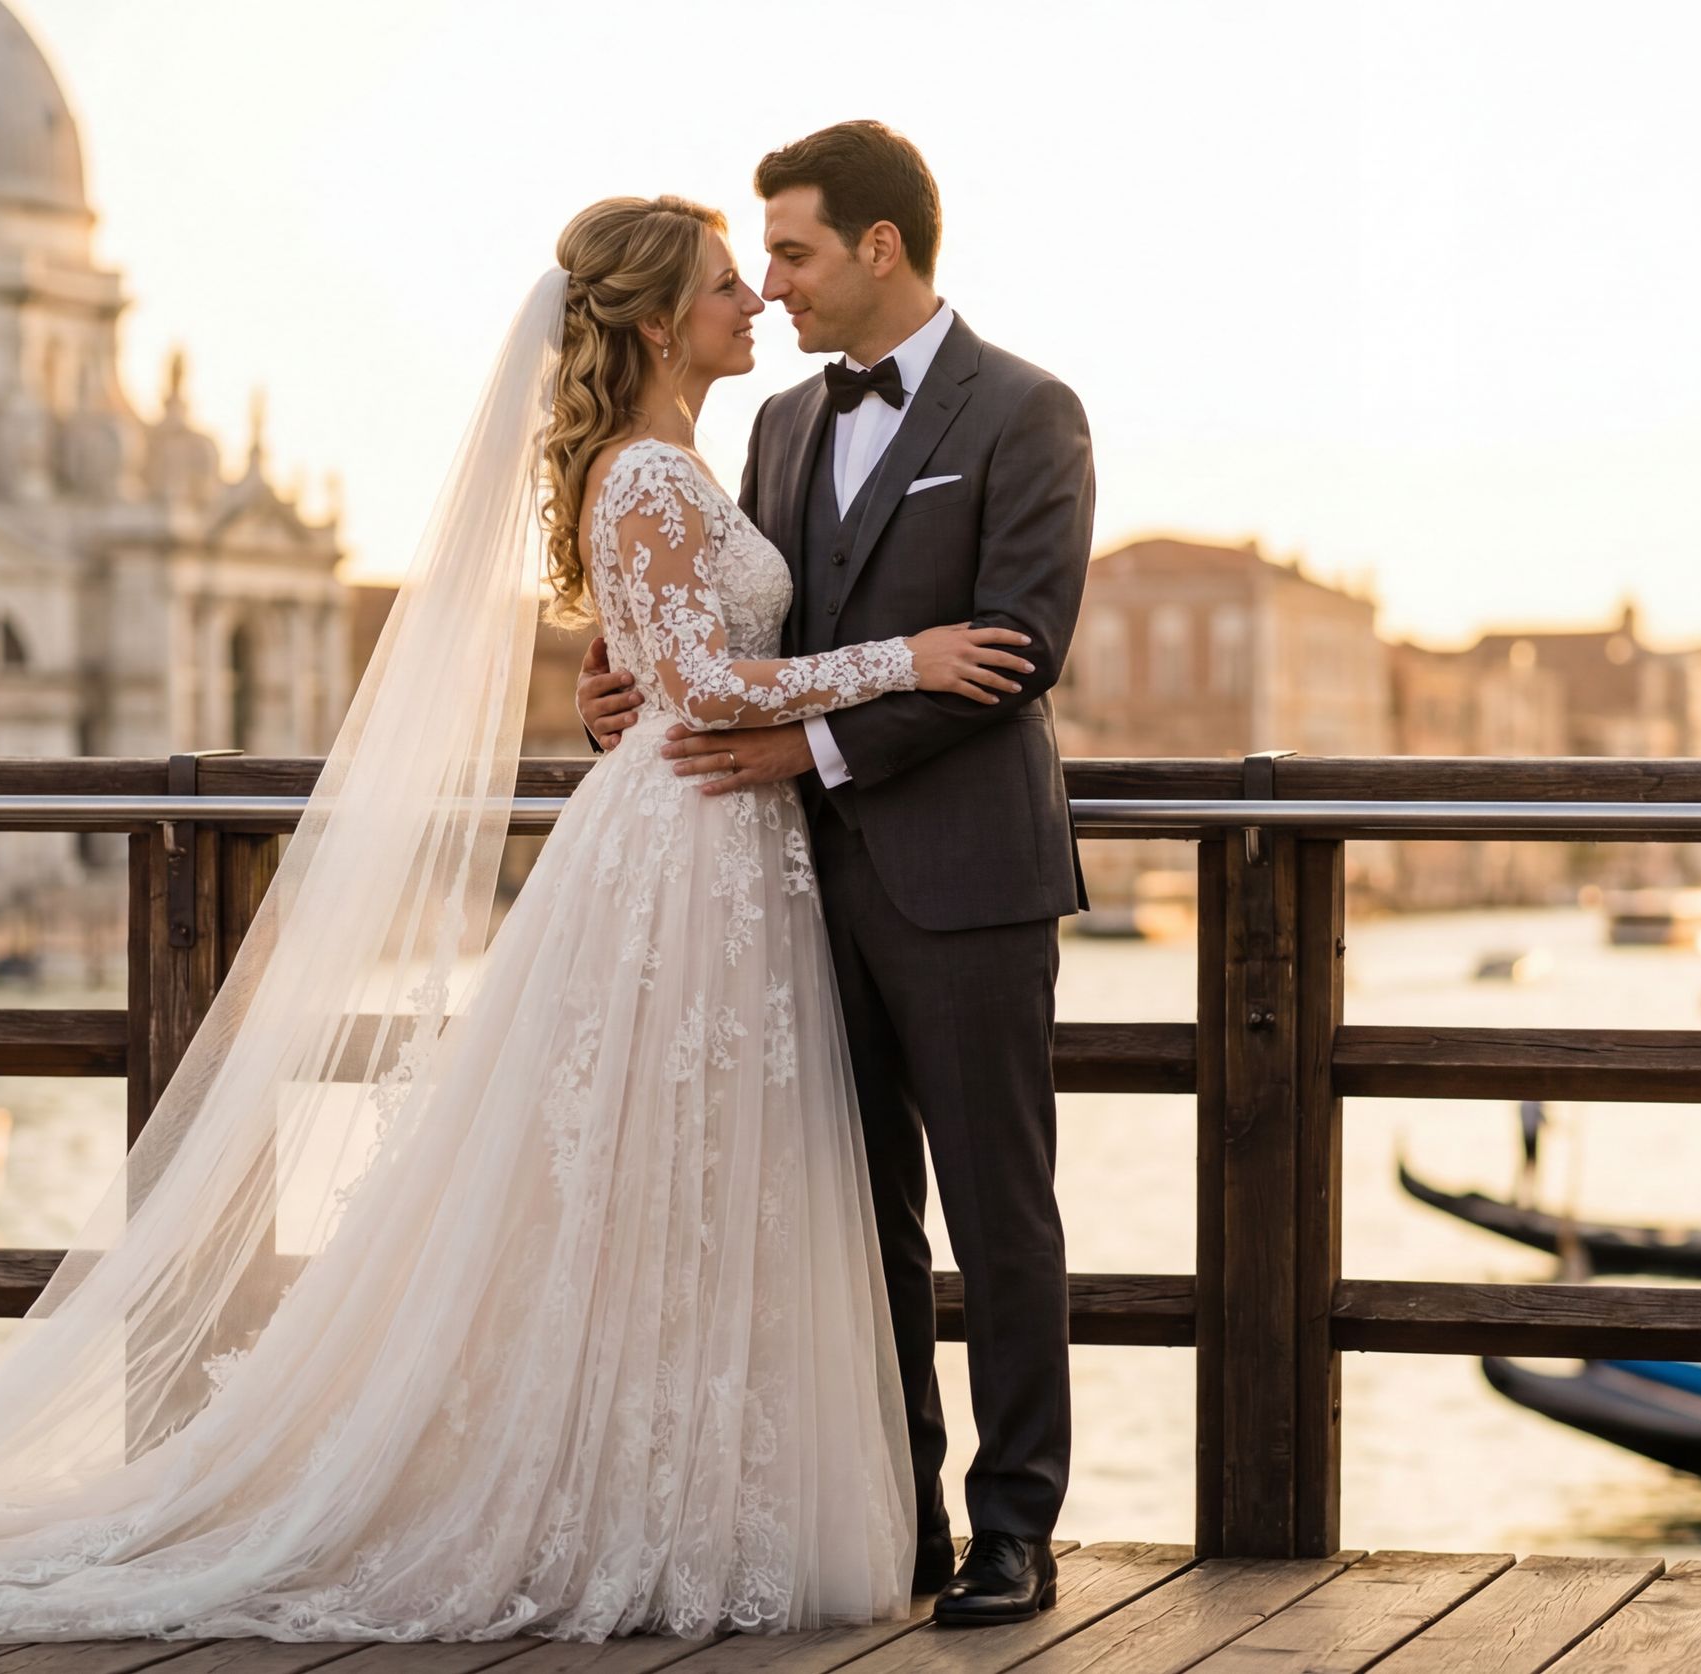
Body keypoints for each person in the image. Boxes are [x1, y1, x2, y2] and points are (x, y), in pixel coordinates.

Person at [0, 189, 1036, 1644]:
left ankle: (734, 1496)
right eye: (729, 280)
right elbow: (703, 667)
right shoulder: (670, 466)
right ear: (651, 314)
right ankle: (667, 1500)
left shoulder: (723, 451)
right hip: (690, 854)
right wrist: (899, 657)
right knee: (652, 1181)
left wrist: (670, 686)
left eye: (779, 268)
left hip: (733, 856)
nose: (759, 293)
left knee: (706, 1185)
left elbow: (696, 649)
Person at [580, 120, 1093, 1625]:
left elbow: (1014, 650)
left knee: (1002, 1205)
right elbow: (726, 642)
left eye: (792, 253)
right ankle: (902, 1515)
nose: (776, 287)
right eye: (759, 266)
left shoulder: (1029, 413)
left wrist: (819, 755)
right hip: (789, 888)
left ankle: (1016, 1524)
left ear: (880, 248)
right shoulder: (781, 427)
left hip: (963, 873)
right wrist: (619, 695)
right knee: (852, 1213)